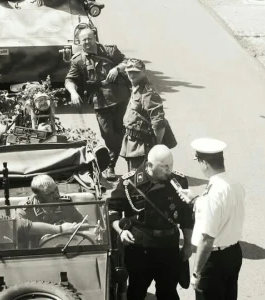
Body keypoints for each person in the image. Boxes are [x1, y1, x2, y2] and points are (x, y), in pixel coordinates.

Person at [108, 145, 194, 300]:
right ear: (149, 166)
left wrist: (188, 245)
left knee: (168, 293)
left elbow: (186, 217)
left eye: (171, 165)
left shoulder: (178, 182)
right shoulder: (129, 183)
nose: (169, 170)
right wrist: (121, 231)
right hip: (140, 250)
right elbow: (112, 210)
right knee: (136, 291)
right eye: (164, 167)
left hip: (168, 247)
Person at [178, 138, 245, 300]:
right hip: (234, 253)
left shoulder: (213, 193)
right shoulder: (234, 184)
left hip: (214, 261)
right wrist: (195, 200)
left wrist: (197, 272)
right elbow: (222, 211)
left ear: (204, 163)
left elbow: (207, 239)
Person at [64, 27, 131, 181]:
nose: (87, 42)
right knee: (108, 134)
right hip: (100, 101)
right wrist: (73, 92)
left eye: (89, 38)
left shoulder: (110, 51)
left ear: (95, 37)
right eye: (83, 40)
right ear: (80, 42)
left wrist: (117, 68)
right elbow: (69, 80)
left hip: (120, 97)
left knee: (120, 130)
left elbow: (127, 62)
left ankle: (110, 166)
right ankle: (112, 159)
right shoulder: (78, 60)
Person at [120, 58, 170, 172]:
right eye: (129, 71)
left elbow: (158, 122)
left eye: (136, 72)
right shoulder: (136, 87)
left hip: (142, 144)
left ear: (143, 71)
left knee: (139, 179)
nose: (132, 75)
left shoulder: (147, 91)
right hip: (133, 141)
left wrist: (157, 145)